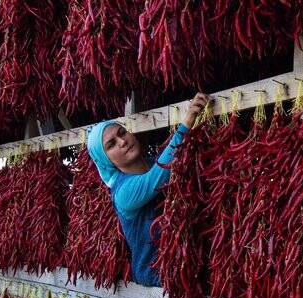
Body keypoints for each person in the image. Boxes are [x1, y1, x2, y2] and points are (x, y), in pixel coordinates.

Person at [87, 92, 211, 286]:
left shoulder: (156, 162)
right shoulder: (123, 193)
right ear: (106, 160)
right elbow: (158, 177)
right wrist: (186, 123)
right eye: (111, 145)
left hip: (186, 270)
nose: (122, 141)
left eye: (122, 133)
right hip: (154, 283)